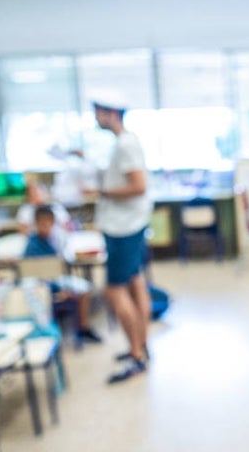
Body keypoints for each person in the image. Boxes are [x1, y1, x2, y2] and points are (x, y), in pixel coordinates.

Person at [91, 93, 153, 383]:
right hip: (130, 223)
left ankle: (136, 354)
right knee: (135, 281)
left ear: (111, 113)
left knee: (114, 289)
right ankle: (140, 344)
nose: (96, 118)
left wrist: (101, 192)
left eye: (99, 112)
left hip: (123, 227)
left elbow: (138, 185)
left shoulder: (126, 144)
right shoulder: (126, 142)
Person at [24, 206, 101, 342]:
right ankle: (49, 328)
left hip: (58, 279)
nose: (45, 227)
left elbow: (61, 265)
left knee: (85, 288)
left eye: (48, 223)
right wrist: (59, 290)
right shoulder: (32, 244)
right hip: (43, 284)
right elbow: (35, 274)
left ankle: (83, 328)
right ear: (35, 224)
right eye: (41, 223)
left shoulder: (55, 240)